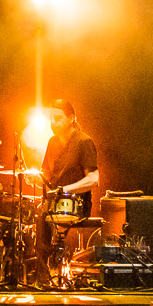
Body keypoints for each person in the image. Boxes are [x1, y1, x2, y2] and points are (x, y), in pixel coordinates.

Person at [35, 98, 101, 280]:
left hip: (78, 204)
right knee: (37, 214)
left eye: (58, 118)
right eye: (51, 119)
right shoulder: (52, 142)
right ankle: (42, 276)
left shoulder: (84, 142)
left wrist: (65, 189)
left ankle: (47, 272)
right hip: (55, 203)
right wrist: (35, 177)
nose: (53, 123)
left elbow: (94, 179)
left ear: (72, 118)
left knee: (43, 219)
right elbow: (45, 175)